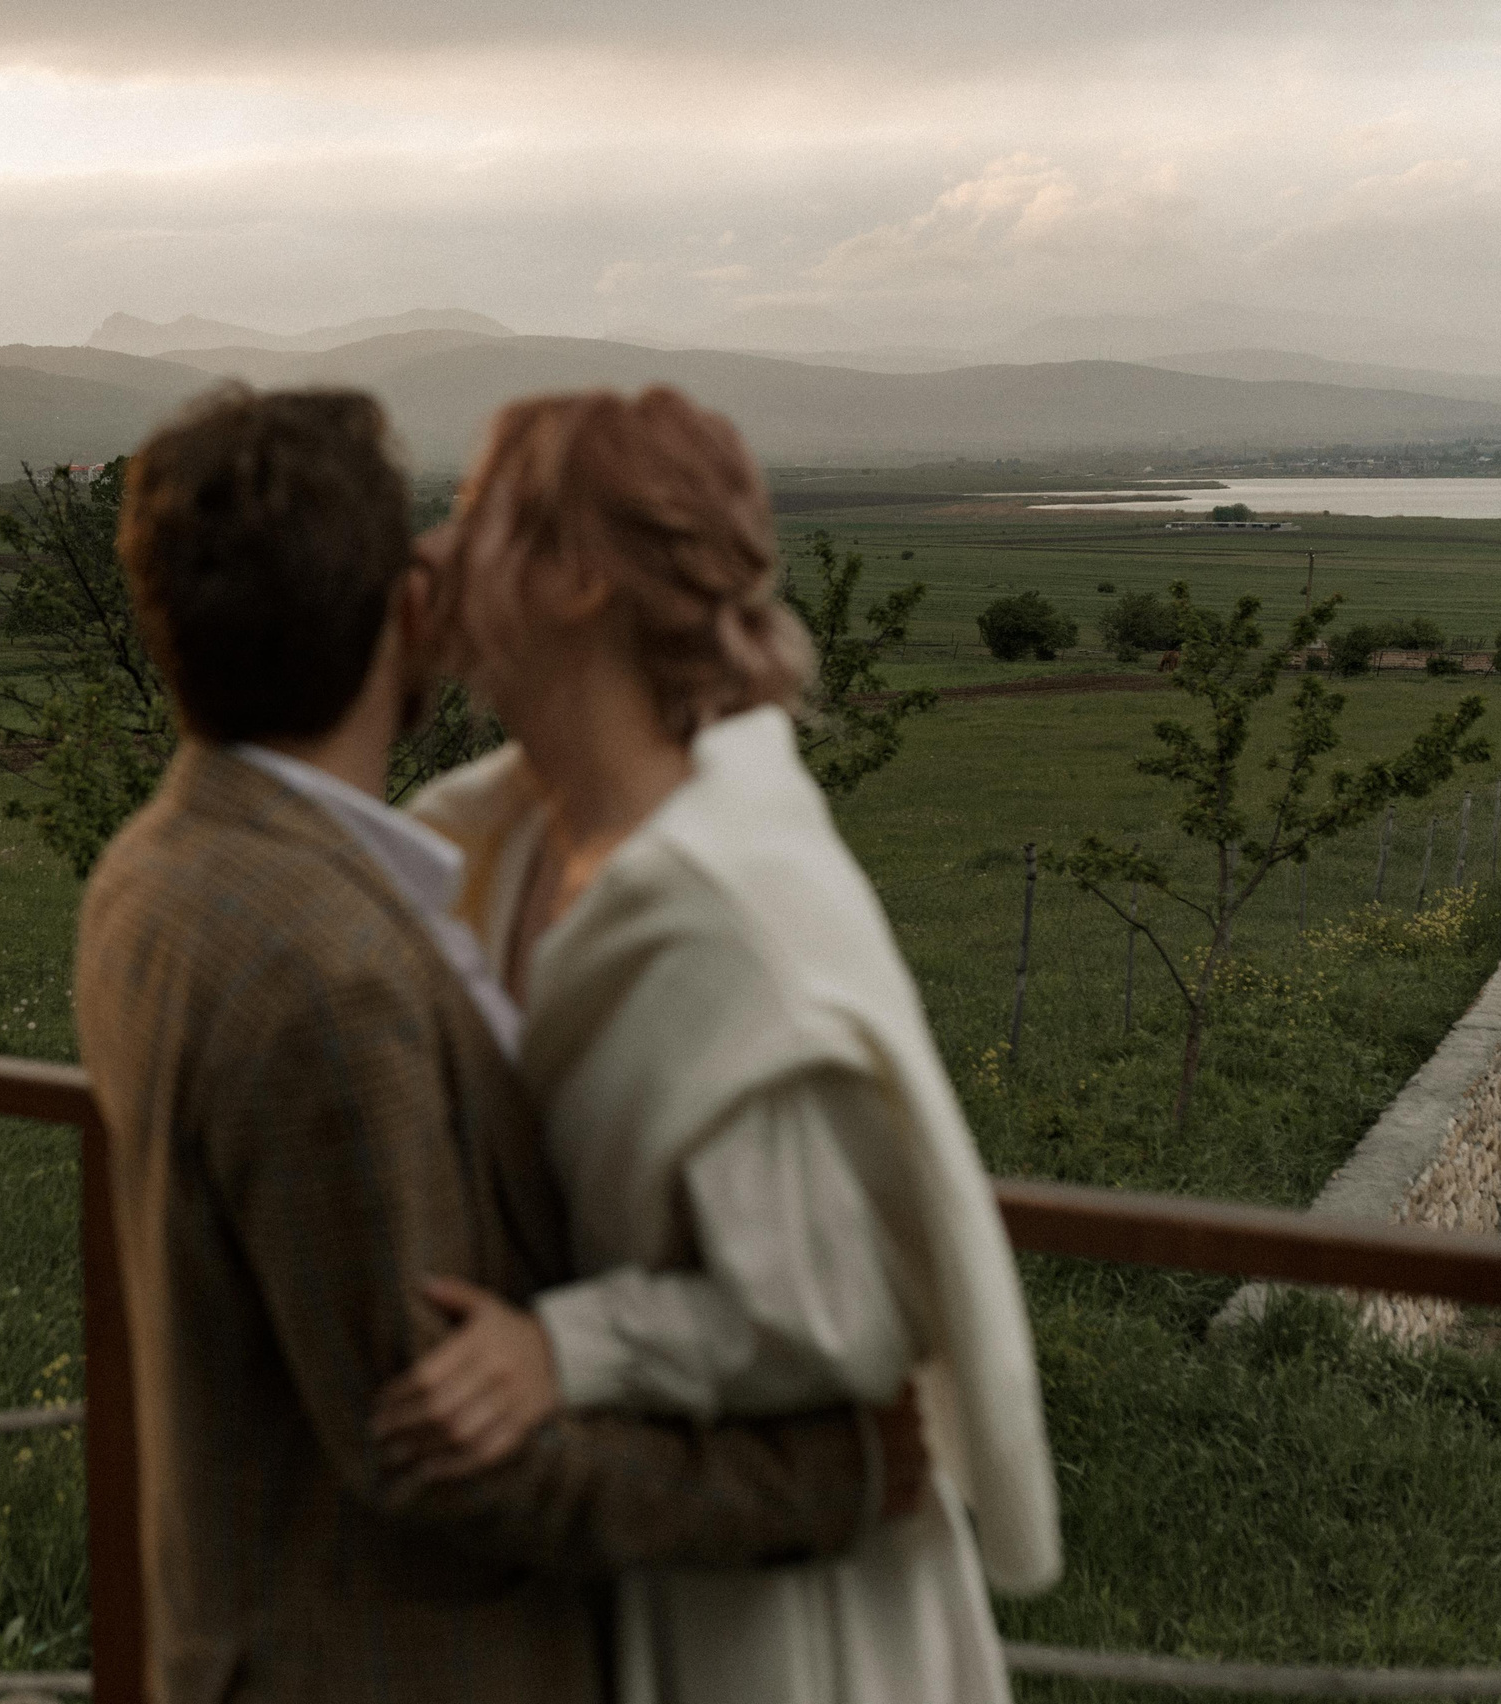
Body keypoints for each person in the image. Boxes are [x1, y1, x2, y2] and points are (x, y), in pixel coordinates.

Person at [73, 385, 932, 1704]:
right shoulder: (330, 976)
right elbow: (435, 1447)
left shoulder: (154, 865)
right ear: (404, 609)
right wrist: (838, 1476)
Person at [373, 387, 1062, 1704]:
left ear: (579, 576)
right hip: (604, 1554)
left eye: (475, 517)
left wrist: (565, 1351)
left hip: (776, 1620)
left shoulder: (729, 913)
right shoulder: (500, 833)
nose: (435, 553)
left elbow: (830, 1315)